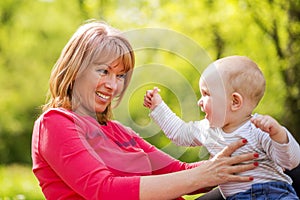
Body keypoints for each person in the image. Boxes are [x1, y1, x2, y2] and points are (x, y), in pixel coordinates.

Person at [31, 21, 259, 200]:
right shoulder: (55, 123)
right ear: (75, 69)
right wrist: (205, 173)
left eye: (120, 76)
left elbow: (178, 170)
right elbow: (103, 190)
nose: (113, 85)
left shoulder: (119, 131)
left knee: (283, 177)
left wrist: (232, 160)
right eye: (103, 71)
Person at [144, 55, 300, 199]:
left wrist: (279, 134)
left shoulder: (258, 129)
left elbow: (290, 162)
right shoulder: (208, 129)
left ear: (234, 102)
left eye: (206, 94)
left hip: (273, 193)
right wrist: (158, 107)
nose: (199, 102)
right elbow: (180, 133)